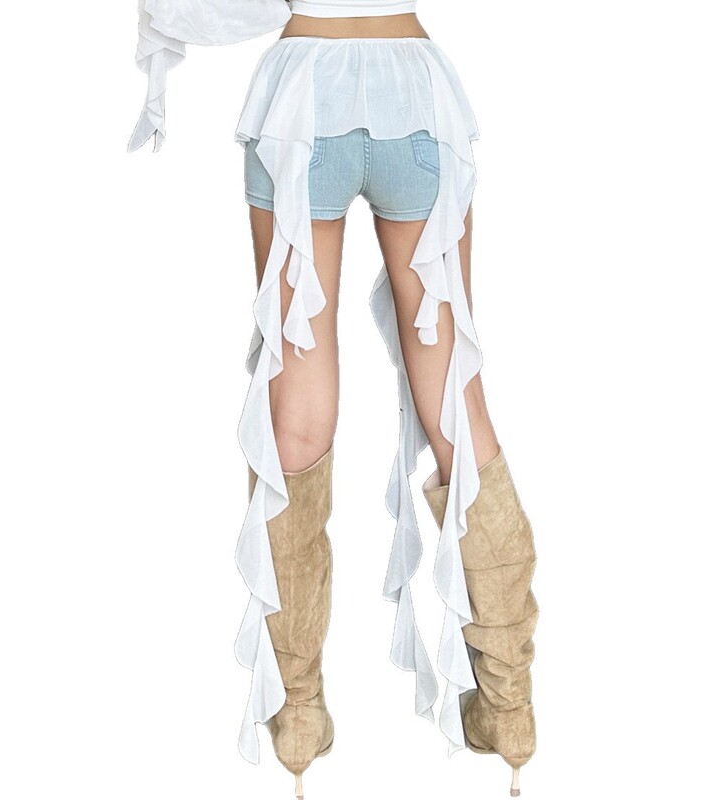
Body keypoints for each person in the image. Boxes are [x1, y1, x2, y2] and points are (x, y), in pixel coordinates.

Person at [128, 2, 539, 798]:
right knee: (456, 401)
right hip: (415, 93)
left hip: (302, 96)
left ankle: (297, 716)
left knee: (296, 414)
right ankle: (510, 708)